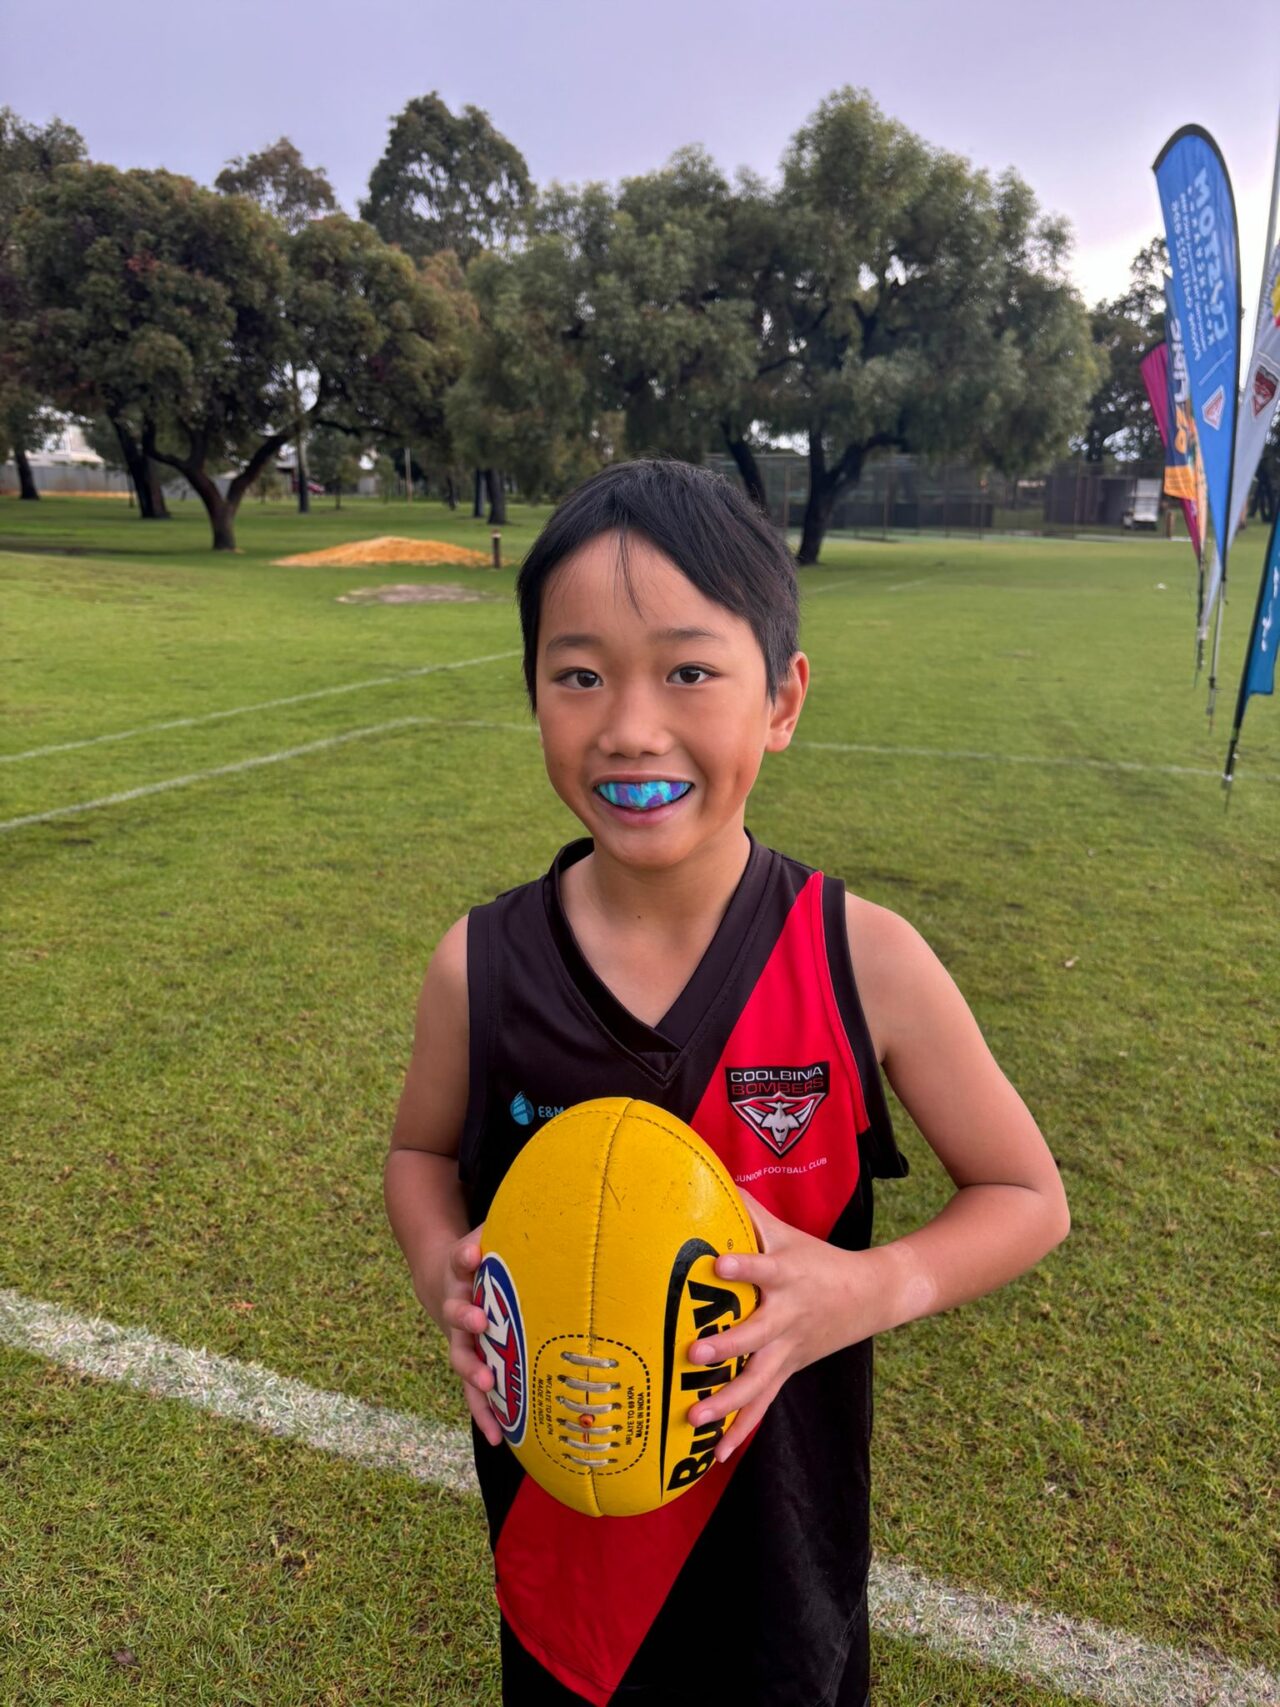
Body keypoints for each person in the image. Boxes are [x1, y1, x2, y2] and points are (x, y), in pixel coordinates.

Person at [384, 458, 1070, 1707]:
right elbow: (420, 1155)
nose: (629, 727)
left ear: (781, 699)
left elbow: (1026, 1195)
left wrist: (864, 1288)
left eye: (688, 671)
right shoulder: (477, 967)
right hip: (564, 1580)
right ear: (532, 693)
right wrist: (444, 1269)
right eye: (578, 675)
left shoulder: (862, 958)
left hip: (782, 1589)